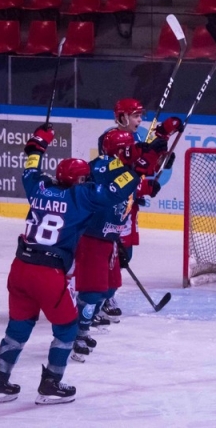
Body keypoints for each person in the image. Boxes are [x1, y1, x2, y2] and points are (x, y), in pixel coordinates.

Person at [0, 124, 143, 405]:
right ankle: (51, 385)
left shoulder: (40, 188)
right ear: (79, 181)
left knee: (18, 327)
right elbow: (114, 192)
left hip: (20, 267)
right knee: (68, 328)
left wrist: (38, 142)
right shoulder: (79, 198)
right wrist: (135, 170)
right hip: (49, 272)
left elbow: (30, 167)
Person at [73, 125, 174, 361]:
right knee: (92, 291)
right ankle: (77, 334)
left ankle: (85, 324)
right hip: (91, 239)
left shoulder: (122, 168)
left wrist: (160, 142)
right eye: (128, 148)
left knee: (109, 286)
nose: (133, 150)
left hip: (109, 238)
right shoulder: (101, 166)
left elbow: (135, 181)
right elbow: (125, 175)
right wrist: (147, 154)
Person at [95, 98, 145, 323]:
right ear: (123, 117)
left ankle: (108, 295)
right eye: (136, 116)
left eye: (141, 115)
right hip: (112, 203)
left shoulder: (138, 137)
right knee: (107, 255)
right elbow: (116, 170)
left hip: (128, 205)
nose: (140, 120)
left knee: (127, 255)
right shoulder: (110, 137)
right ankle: (99, 298)